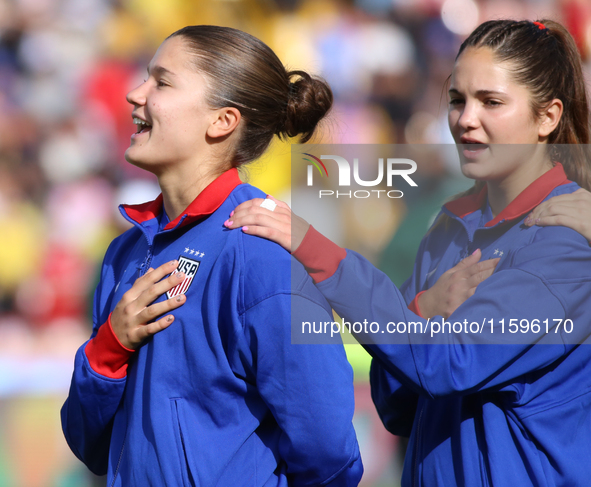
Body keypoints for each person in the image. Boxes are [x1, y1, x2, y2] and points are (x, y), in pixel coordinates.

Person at [226, 19, 591, 486]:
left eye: (492, 102)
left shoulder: (568, 243)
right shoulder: (449, 226)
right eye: (457, 100)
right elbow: (397, 401)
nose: (466, 119)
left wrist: (319, 253)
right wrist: (420, 310)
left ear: (548, 117)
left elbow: (446, 365)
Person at [61, 25, 363, 487]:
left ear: (222, 121)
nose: (134, 94)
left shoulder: (263, 255)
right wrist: (107, 351)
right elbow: (90, 447)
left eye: (161, 82)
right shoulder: (124, 254)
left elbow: (328, 450)